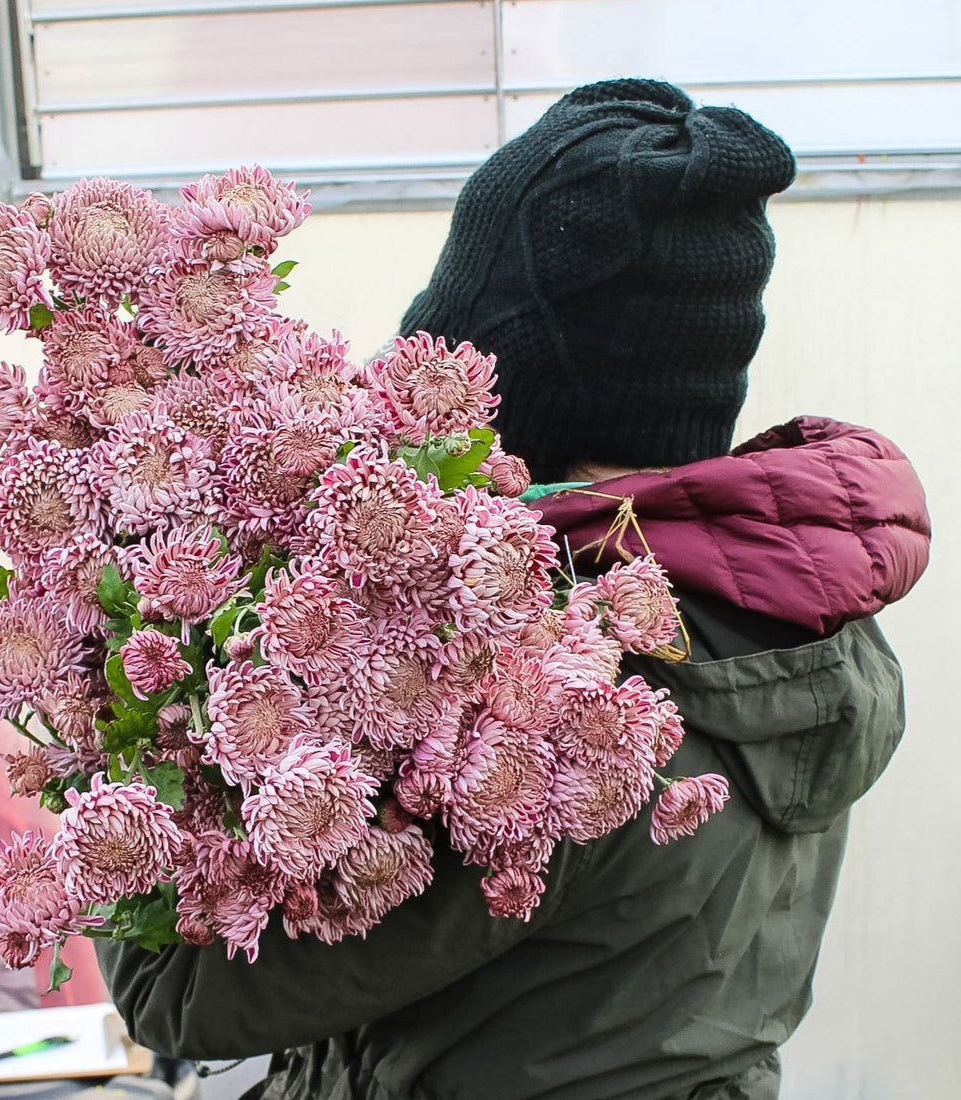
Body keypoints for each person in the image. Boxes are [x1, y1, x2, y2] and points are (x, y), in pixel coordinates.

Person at [97, 79, 931, 1099]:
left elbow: (184, 989)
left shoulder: (547, 700)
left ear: (499, 394)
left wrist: (127, 692)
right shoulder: (801, 608)